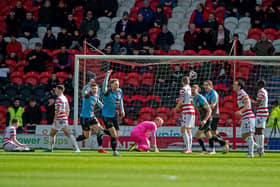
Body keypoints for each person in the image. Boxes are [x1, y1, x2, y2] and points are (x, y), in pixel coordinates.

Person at [192, 84, 229, 154]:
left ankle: (204, 150)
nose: (193, 90)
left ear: (198, 90)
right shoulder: (194, 98)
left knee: (198, 135)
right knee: (209, 136)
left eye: (194, 89)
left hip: (207, 119)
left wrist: (205, 120)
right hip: (203, 119)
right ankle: (222, 144)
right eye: (192, 89)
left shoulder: (201, 98)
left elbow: (209, 110)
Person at [44, 85, 80, 152]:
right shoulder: (64, 98)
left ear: (60, 90)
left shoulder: (59, 99)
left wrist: (55, 118)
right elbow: (68, 109)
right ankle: (49, 148)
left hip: (60, 118)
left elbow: (58, 109)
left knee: (67, 133)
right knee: (52, 133)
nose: (55, 91)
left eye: (56, 90)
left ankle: (76, 148)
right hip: (63, 118)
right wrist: (66, 116)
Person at [76, 81, 107, 153]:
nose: (94, 90)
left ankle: (100, 148)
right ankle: (74, 140)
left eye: (95, 88)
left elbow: (99, 103)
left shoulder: (96, 96)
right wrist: (88, 84)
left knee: (100, 131)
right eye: (92, 88)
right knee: (86, 136)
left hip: (92, 117)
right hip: (84, 118)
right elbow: (83, 90)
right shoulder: (87, 95)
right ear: (90, 89)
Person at [102, 70, 125, 156]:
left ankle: (102, 131)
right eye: (115, 84)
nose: (117, 85)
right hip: (106, 115)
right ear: (111, 85)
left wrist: (122, 110)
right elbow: (104, 86)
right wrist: (107, 75)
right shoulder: (107, 92)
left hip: (115, 115)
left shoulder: (120, 91)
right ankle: (115, 151)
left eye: (118, 84)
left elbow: (121, 100)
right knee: (114, 134)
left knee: (116, 135)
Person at [233, 79, 258, 157]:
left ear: (239, 86)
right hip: (245, 117)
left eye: (235, 84)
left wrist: (240, 111)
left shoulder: (243, 94)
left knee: (249, 134)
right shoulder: (239, 94)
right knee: (243, 136)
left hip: (248, 116)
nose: (233, 86)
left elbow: (247, 105)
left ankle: (251, 153)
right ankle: (258, 147)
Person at [203, 80, 228, 154]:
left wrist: (205, 107)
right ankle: (224, 145)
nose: (205, 87)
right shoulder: (206, 94)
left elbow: (213, 105)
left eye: (206, 85)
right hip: (209, 115)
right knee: (213, 132)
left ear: (210, 86)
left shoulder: (214, 93)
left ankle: (215, 148)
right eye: (204, 85)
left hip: (214, 115)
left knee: (207, 131)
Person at [174, 76, 195, 153]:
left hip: (186, 110)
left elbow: (182, 100)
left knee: (183, 129)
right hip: (192, 109)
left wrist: (176, 108)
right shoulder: (190, 89)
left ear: (182, 82)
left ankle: (188, 149)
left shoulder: (183, 89)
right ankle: (189, 149)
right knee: (188, 130)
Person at [253, 80, 269, 156]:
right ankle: (260, 149)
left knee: (259, 130)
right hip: (262, 112)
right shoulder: (264, 91)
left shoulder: (261, 92)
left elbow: (258, 103)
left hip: (261, 113)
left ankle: (261, 150)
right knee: (257, 130)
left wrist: (250, 101)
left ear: (259, 85)